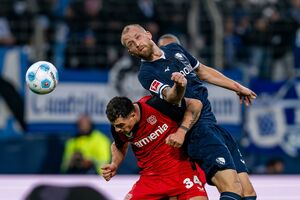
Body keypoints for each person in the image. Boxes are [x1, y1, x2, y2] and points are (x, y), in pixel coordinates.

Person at [121, 24, 257, 200]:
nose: (136, 44)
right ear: (131, 52)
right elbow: (170, 97)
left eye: (137, 37)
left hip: (212, 124)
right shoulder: (146, 74)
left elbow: (203, 72)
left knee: (248, 193)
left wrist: (237, 87)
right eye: (130, 44)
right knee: (232, 188)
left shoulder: (174, 49)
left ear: (148, 34)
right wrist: (179, 86)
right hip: (197, 130)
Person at [101, 72, 208, 200]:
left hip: (181, 172)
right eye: (115, 126)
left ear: (133, 115)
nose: (117, 130)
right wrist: (115, 164)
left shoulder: (156, 105)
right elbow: (119, 146)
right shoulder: (118, 130)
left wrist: (181, 132)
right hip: (151, 180)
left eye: (121, 125)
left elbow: (195, 104)